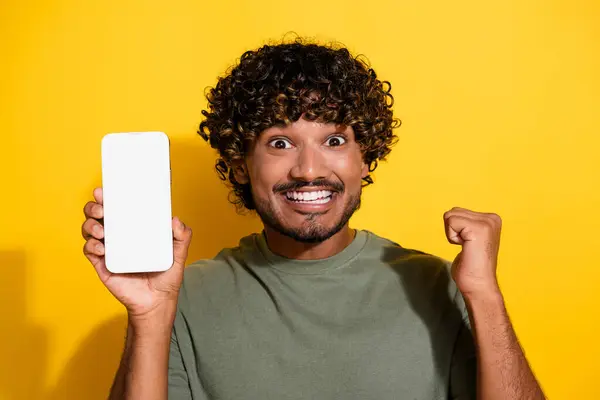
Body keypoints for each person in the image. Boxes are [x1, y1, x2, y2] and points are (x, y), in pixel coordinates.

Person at [82, 39, 545, 400]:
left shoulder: (438, 284)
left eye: (334, 141)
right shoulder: (180, 297)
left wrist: (485, 296)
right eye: (280, 143)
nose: (308, 169)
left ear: (366, 159)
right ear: (241, 164)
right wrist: (149, 316)